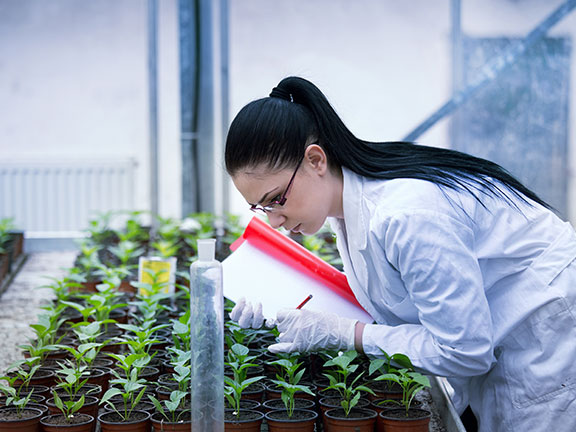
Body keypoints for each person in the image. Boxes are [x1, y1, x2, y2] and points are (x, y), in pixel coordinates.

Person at [224, 76, 576, 431]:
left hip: (543, 338)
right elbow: (396, 296)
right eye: (260, 208)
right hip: (504, 340)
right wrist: (285, 311)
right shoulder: (348, 209)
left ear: (315, 160)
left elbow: (464, 350)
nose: (275, 219)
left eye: (276, 200)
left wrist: (345, 333)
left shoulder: (409, 216)